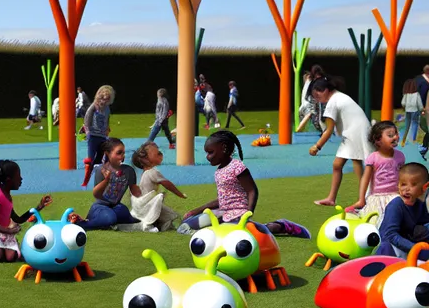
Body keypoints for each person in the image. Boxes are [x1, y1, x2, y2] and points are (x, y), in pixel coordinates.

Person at [178, 130, 310, 238]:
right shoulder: (219, 171)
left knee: (245, 233)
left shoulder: (237, 166)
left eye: (210, 152)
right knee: (185, 226)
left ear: (223, 148)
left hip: (238, 213)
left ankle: (281, 225)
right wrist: (196, 210)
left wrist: (248, 214)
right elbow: (224, 199)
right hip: (222, 212)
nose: (207, 157)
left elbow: (252, 190)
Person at [309, 76, 374, 206]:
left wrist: (317, 146)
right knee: (338, 165)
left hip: (355, 133)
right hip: (353, 132)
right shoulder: (338, 97)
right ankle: (332, 198)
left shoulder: (333, 102)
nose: (317, 98)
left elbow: (328, 130)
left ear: (326, 90)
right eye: (314, 96)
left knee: (359, 164)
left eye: (317, 94)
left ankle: (365, 198)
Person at [70, 138, 141, 230]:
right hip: (100, 206)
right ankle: (81, 224)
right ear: (107, 153)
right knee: (110, 218)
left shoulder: (129, 171)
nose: (122, 156)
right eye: (119, 153)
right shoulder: (101, 170)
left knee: (126, 214)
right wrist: (107, 180)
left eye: (123, 153)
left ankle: (108, 222)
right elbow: (96, 194)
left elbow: (135, 192)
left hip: (116, 206)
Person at [346, 121, 404, 226]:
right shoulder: (373, 157)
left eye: (396, 134)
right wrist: (361, 199)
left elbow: (403, 177)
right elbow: (365, 179)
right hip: (378, 197)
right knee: (376, 222)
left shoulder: (400, 156)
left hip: (396, 196)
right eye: (390, 135)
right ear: (378, 140)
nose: (395, 137)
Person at [374, 162, 429, 260]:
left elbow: (424, 225)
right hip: (390, 247)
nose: (406, 189)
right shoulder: (396, 205)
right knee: (385, 247)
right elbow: (390, 234)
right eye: (403, 184)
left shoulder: (420, 204)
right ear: (398, 185)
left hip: (406, 243)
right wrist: (415, 248)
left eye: (413, 185)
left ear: (424, 188)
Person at [130, 141, 186, 232]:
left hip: (144, 205)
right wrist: (180, 194)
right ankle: (154, 225)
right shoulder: (152, 172)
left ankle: (157, 224)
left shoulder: (145, 173)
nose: (160, 154)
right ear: (146, 159)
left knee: (166, 214)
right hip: (149, 205)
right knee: (173, 216)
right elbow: (167, 184)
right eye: (157, 153)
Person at [82, 85, 115, 186]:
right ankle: (86, 179)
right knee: (90, 158)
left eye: (107, 99)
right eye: (103, 99)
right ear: (99, 97)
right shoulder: (94, 106)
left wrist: (107, 128)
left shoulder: (107, 108)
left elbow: (107, 118)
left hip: (102, 136)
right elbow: (87, 118)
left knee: (100, 157)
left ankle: (98, 177)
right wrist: (87, 131)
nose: (104, 102)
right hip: (93, 135)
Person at [401, 79, 422, 147]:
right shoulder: (417, 94)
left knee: (407, 125)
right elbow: (419, 103)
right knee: (414, 124)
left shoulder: (406, 94)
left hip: (408, 110)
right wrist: (421, 109)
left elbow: (403, 103)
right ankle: (412, 140)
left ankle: (403, 140)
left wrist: (405, 107)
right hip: (415, 110)